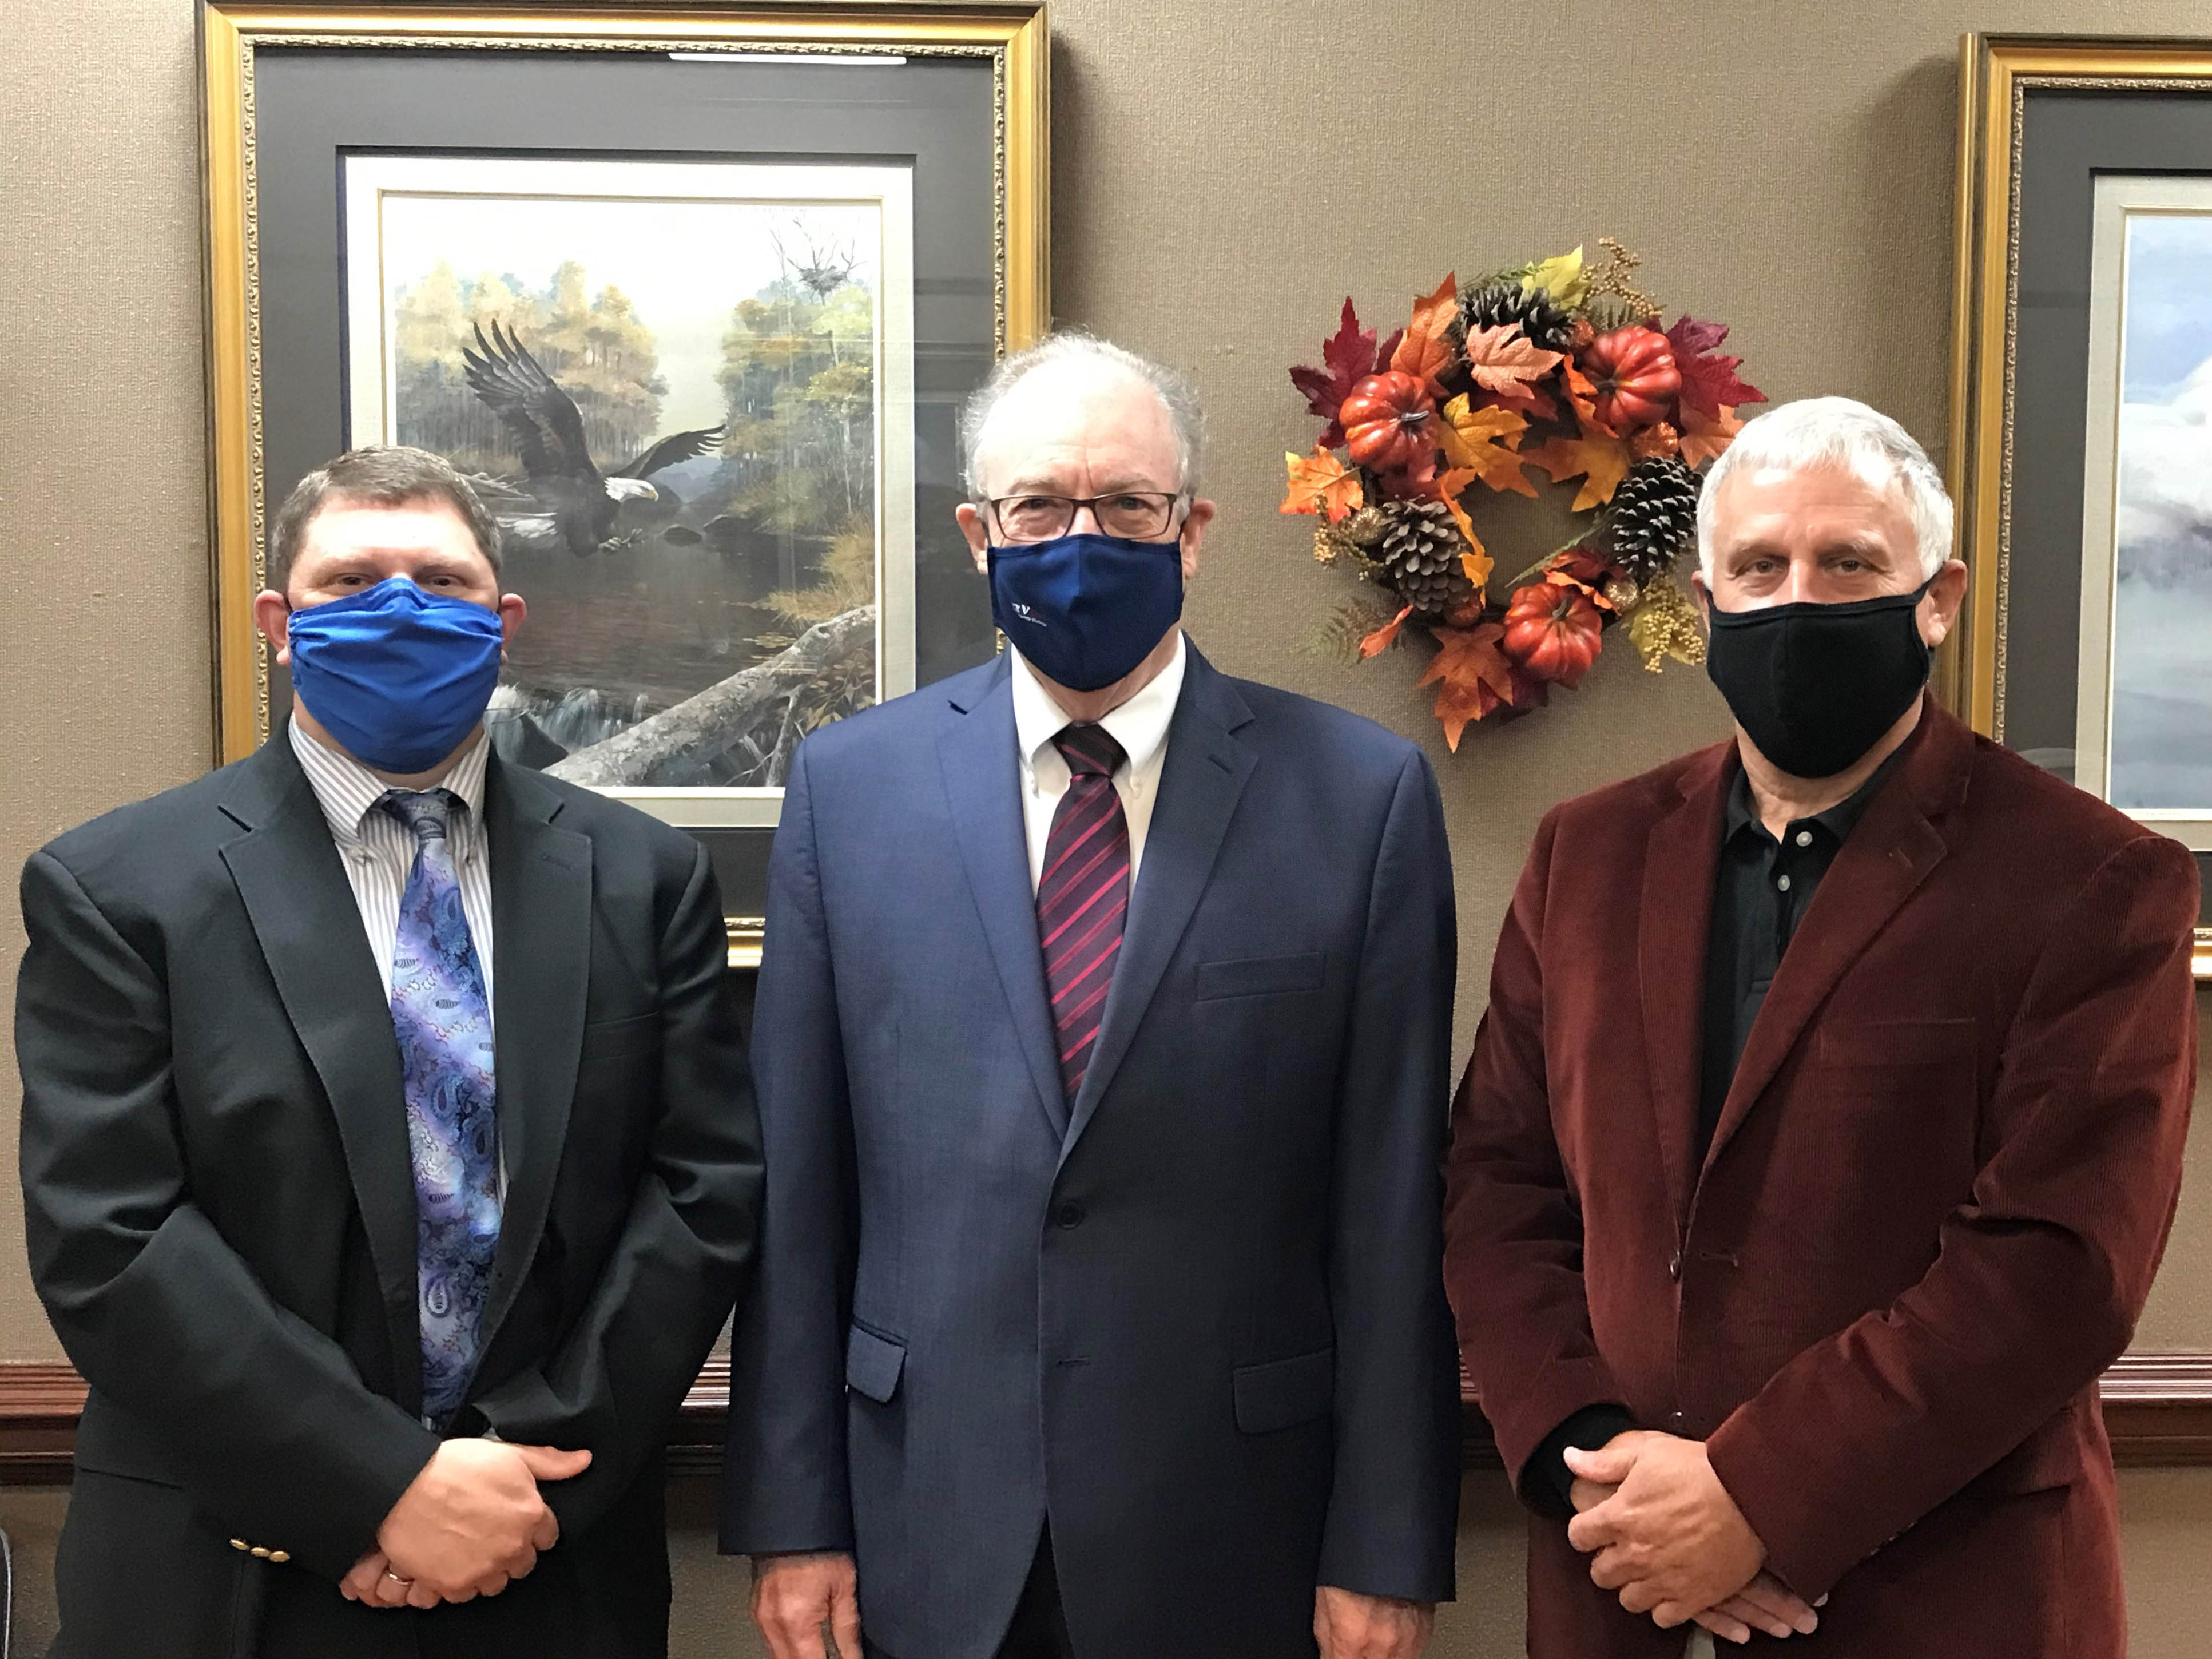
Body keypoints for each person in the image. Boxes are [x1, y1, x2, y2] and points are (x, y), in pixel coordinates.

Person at [721, 334, 1462, 1659]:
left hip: (1237, 1527)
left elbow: (1390, 1205)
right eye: (1039, 507)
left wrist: (1385, 1543)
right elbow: (801, 1193)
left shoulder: (1360, 801)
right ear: (977, 534)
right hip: (922, 1522)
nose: (1082, 540)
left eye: (1126, 505)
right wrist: (793, 1517)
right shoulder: (848, 791)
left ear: (1192, 531)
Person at [1442, 396, 2198, 1657]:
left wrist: (1754, 1497)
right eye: (1759, 566)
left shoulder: (2092, 879)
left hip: (1945, 1598)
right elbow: (1496, 1184)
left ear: (1937, 598)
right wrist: (1590, 1457)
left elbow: (2059, 1264)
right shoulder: (1586, 855)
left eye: (1848, 564)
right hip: (1616, 1580)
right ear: (1706, 604)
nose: (1798, 600)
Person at [17, 446, 765, 1658]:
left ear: (504, 623)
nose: (402, 609)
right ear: (279, 624)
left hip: (546, 1550)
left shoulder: (644, 880)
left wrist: (522, 1477)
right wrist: (380, 1484)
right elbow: (112, 1232)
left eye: (442, 580)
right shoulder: (116, 888)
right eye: (353, 581)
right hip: (223, 1573)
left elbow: (700, 1194)